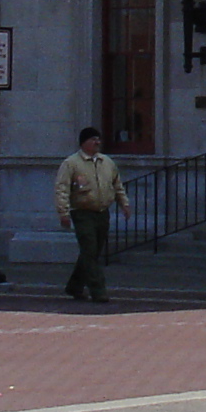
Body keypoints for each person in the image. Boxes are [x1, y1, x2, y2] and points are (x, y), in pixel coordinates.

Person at [51, 125, 124, 303]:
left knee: (91, 252)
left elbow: (117, 185)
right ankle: (98, 290)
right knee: (89, 250)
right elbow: (61, 188)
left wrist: (124, 203)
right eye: (93, 139)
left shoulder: (107, 162)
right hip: (82, 212)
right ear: (84, 143)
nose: (97, 142)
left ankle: (74, 286)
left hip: (102, 212)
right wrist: (64, 212)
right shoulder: (71, 164)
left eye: (98, 139)